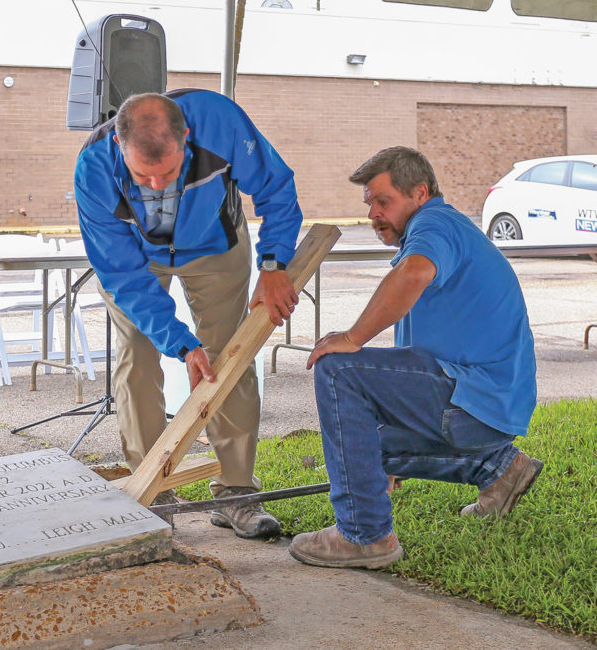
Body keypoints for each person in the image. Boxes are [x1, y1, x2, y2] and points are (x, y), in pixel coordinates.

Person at [291, 146, 542, 569]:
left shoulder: (435, 222)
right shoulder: (442, 229)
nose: (373, 213)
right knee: (359, 448)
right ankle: (501, 470)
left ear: (420, 193)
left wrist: (353, 337)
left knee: (339, 369)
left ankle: (364, 534)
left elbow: (412, 273)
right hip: (486, 407)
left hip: (475, 396)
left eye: (383, 201)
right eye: (369, 203)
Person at [74, 90, 303, 538]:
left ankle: (236, 491)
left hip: (216, 243)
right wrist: (180, 342)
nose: (157, 187)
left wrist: (275, 264)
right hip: (138, 257)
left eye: (170, 172)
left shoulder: (222, 123)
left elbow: (276, 187)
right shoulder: (94, 167)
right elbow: (121, 273)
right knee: (136, 356)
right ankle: (153, 494)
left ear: (188, 139)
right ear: (120, 148)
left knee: (229, 358)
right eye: (143, 176)